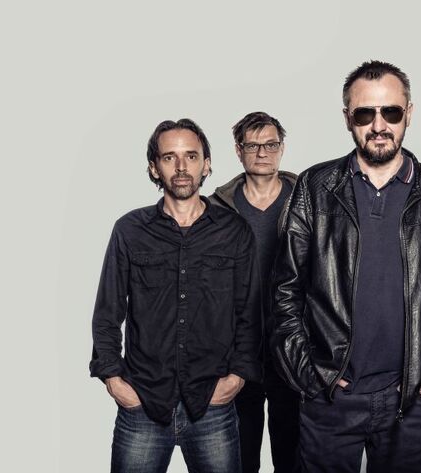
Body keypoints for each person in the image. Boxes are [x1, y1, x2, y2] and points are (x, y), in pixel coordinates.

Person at [270, 60, 421, 473]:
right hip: (331, 397)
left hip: (410, 400)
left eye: (391, 112)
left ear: (409, 114)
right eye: (365, 113)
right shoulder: (315, 187)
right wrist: (312, 376)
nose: (379, 125)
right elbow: (284, 292)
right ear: (347, 117)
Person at [90, 118, 262, 473]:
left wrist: (237, 377)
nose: (182, 167)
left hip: (212, 405)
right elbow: (107, 311)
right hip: (143, 404)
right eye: (169, 157)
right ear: (155, 167)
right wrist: (114, 380)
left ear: (206, 165)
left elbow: (249, 312)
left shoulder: (234, 231)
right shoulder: (129, 230)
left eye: (191, 156)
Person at [210, 111, 300, 473]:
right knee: (239, 459)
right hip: (237, 353)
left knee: (293, 459)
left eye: (271, 145)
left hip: (293, 350)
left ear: (282, 148)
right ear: (238, 150)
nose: (262, 153)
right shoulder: (217, 208)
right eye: (252, 145)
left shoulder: (307, 199)